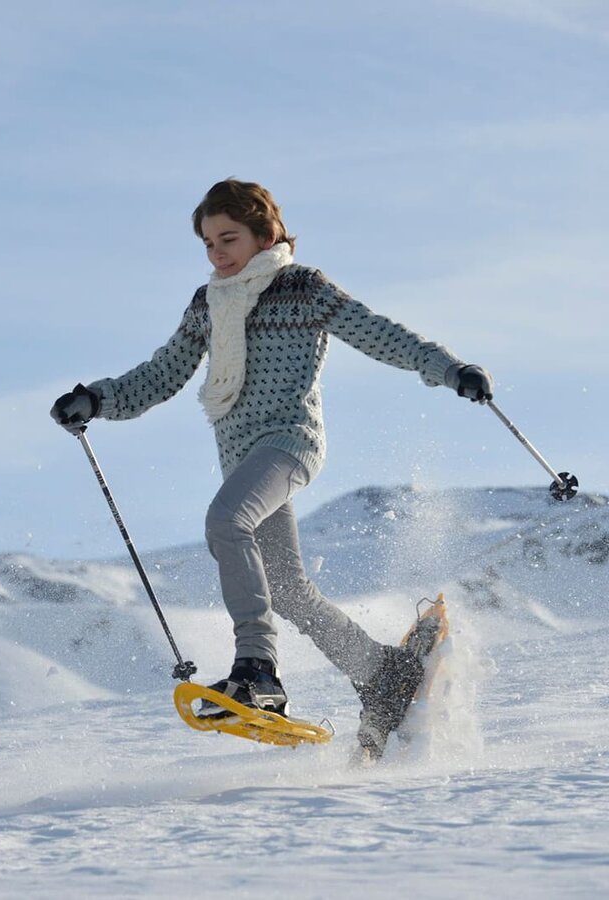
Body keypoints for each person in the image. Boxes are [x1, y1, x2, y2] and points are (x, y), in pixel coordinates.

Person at [49, 178, 493, 753]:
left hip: (289, 442)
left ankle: (257, 669)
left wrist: (450, 368)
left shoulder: (302, 289)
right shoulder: (208, 304)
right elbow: (161, 375)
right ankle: (383, 674)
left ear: (267, 233)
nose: (217, 253)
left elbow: (380, 334)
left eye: (228, 238)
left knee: (225, 521)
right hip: (241, 458)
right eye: (208, 244)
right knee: (285, 586)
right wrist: (99, 398)